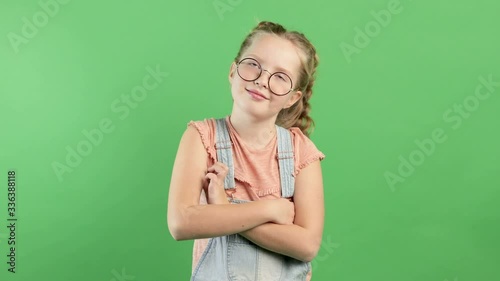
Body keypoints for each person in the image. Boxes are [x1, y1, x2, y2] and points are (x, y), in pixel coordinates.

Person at [167, 21, 325, 281]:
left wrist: (223, 208)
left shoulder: (301, 152)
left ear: (292, 98)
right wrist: (270, 210)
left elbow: (307, 245)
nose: (262, 80)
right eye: (254, 64)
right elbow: (181, 222)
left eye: (280, 76)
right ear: (233, 71)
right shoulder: (201, 137)